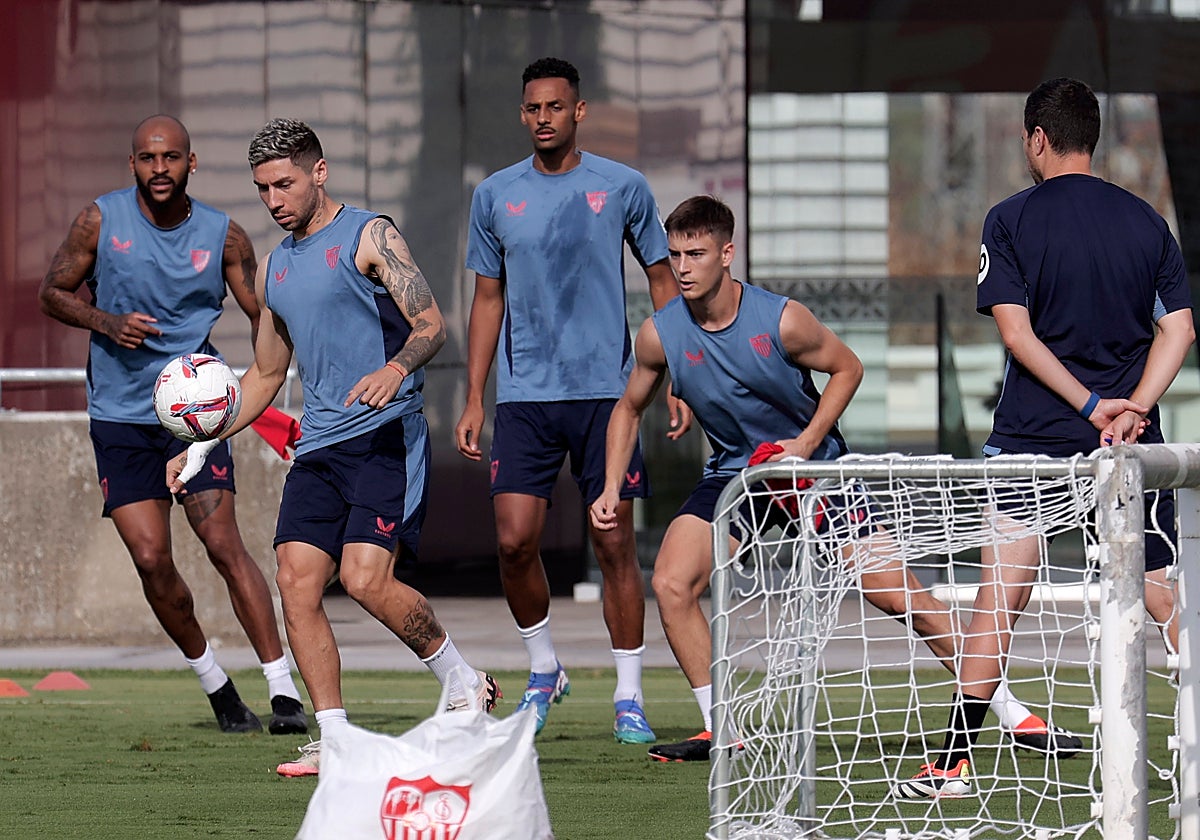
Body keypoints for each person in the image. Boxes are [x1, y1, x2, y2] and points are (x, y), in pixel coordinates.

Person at [591, 195, 1076, 762]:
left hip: (814, 475)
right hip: (736, 480)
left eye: (695, 254)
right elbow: (627, 408)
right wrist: (609, 487)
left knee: (898, 596)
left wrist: (807, 442)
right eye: (674, 255)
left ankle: (1012, 713)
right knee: (672, 583)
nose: (682, 267)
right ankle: (723, 726)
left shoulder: (781, 319)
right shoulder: (660, 333)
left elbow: (849, 367)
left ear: (727, 253)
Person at [893, 77, 1195, 799]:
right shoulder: (1148, 221)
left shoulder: (1010, 219)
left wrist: (1091, 404)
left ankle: (953, 765)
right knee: (1164, 592)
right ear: (1089, 137)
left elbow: (1015, 333)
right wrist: (1131, 409)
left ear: (1035, 138)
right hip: (1129, 448)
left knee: (1001, 595)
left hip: (1034, 436)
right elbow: (1179, 328)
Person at [168, 118, 498, 778]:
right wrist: (204, 441)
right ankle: (336, 737)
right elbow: (263, 375)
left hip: (383, 436)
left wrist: (396, 369)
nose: (273, 200)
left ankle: (464, 680)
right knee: (296, 581)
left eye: (284, 183)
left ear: (319, 173)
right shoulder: (276, 270)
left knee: (364, 579)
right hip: (317, 448)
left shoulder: (368, 236)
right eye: (262, 188)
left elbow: (431, 325)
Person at [37, 115, 307, 735]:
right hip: (120, 418)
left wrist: (290, 366)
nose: (160, 169)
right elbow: (52, 291)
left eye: (171, 158)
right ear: (132, 165)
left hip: (196, 419)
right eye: (147, 158)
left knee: (222, 545)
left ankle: (283, 693)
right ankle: (217, 687)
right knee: (153, 558)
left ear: (192, 163)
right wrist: (106, 322)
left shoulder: (225, 236)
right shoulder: (99, 221)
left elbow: (267, 319)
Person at [454, 57, 689, 742]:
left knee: (613, 542)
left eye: (556, 107)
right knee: (513, 542)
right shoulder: (495, 195)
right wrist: (473, 395)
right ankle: (544, 667)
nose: (543, 118)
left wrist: (678, 376)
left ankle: (629, 697)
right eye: (533, 109)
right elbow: (486, 298)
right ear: (523, 114)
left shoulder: (622, 186)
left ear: (578, 111)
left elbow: (662, 282)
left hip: (609, 399)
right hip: (525, 399)